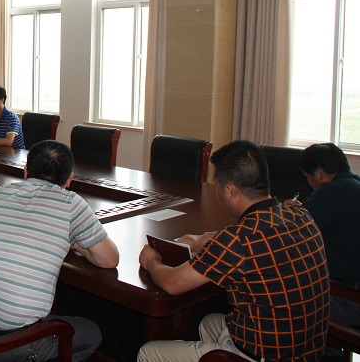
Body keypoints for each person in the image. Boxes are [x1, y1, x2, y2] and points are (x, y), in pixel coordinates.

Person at [137, 140, 330, 362]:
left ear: (230, 191)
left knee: (147, 353)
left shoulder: (237, 241)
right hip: (308, 349)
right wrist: (203, 239)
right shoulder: (299, 214)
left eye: (218, 186)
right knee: (208, 323)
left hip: (266, 356)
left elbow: (173, 283)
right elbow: (258, 235)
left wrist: (151, 261)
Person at [0, 140, 119, 362]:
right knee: (92, 333)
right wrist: (74, 242)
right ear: (69, 179)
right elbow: (109, 259)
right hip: (13, 344)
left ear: (25, 171)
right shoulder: (71, 204)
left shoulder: (1, 194)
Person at [299, 143, 360, 329]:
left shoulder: (332, 191)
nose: (308, 181)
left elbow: (292, 231)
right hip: (352, 290)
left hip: (348, 299)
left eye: (307, 176)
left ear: (319, 173)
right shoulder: (354, 184)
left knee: (282, 294)